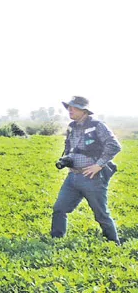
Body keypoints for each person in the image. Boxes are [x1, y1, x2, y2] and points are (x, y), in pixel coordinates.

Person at [51, 96, 121, 244]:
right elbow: (72, 148)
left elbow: (114, 146)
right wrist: (67, 158)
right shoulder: (72, 127)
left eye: (74, 107)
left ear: (84, 111)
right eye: (69, 107)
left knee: (101, 214)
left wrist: (99, 165)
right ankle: (56, 240)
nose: (70, 110)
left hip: (92, 178)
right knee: (59, 208)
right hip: (73, 176)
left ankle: (114, 243)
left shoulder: (97, 126)